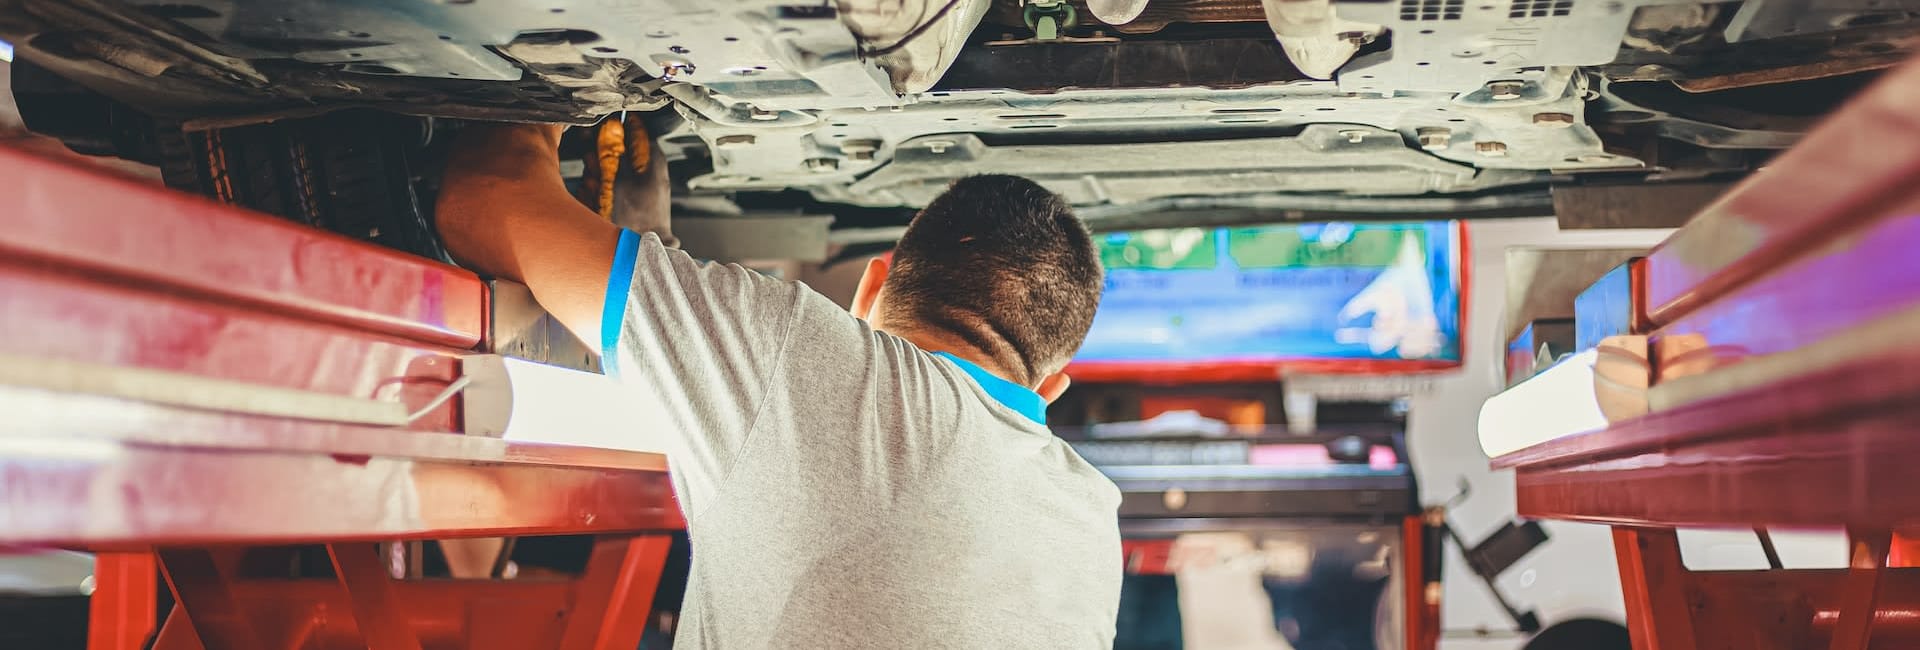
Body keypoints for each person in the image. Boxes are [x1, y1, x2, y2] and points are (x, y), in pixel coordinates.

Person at [436, 123, 1122, 648]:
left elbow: (482, 197)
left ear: (870, 287)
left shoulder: (804, 358)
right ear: (1050, 390)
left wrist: (556, 94)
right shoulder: (1090, 520)